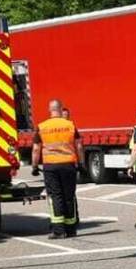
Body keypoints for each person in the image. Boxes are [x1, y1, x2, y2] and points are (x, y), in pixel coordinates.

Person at [31, 99, 83, 239]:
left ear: (50, 109)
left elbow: (36, 149)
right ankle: (71, 229)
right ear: (61, 109)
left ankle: (59, 230)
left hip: (51, 166)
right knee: (69, 196)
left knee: (55, 196)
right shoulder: (70, 125)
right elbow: (78, 145)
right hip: (68, 164)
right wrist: (81, 163)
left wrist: (35, 166)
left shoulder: (42, 126)